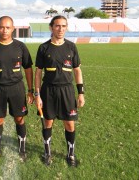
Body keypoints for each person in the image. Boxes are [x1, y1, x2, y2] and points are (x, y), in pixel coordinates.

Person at [0, 16, 34, 161]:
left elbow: (28, 68)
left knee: (19, 119)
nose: (4, 30)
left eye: (8, 27)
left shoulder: (20, 47)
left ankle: (22, 149)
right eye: (2, 27)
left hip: (17, 88)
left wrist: (30, 90)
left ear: (13, 28)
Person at [34, 15, 85, 167]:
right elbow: (38, 73)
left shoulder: (71, 47)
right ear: (51, 27)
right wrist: (37, 94)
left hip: (67, 91)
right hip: (48, 91)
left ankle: (70, 154)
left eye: (63, 26)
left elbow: (77, 70)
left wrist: (81, 93)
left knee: (70, 124)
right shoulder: (44, 48)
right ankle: (47, 153)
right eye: (57, 26)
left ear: (66, 27)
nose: (60, 29)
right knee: (47, 123)